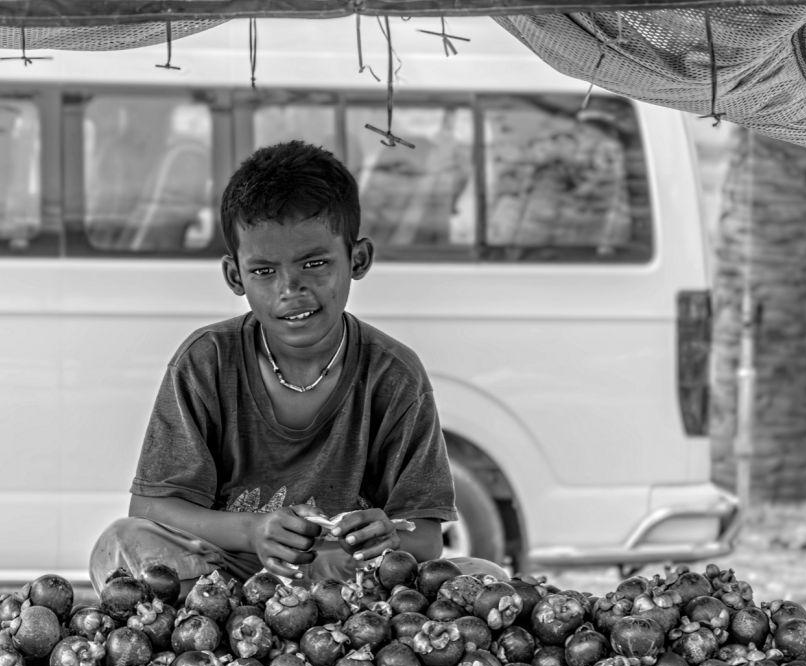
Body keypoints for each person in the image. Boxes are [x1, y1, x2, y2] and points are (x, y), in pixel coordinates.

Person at [89, 140, 508, 596]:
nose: (291, 288)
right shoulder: (206, 360)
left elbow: (425, 538)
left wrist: (388, 535)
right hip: (228, 580)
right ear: (235, 276)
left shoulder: (394, 375)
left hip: (349, 583)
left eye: (315, 263)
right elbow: (150, 508)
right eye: (264, 271)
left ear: (358, 259)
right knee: (120, 543)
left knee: (485, 577)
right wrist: (252, 531)